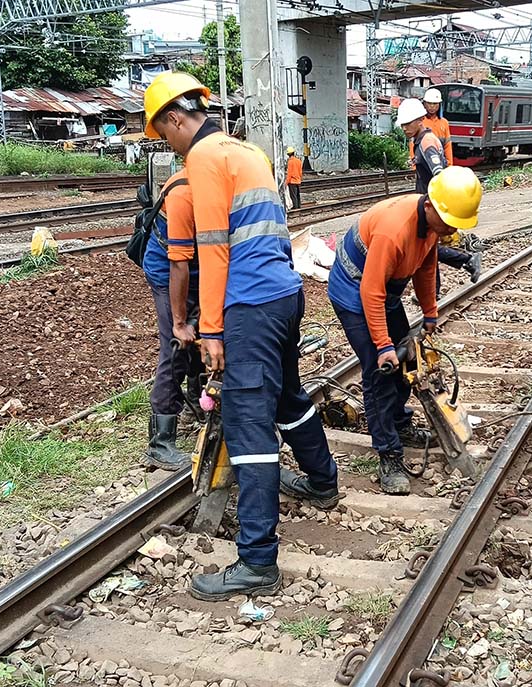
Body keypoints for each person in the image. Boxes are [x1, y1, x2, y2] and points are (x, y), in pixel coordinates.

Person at [143, 71, 340, 600]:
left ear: (176, 119)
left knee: (249, 428)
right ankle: (323, 480)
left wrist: (210, 327)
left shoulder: (203, 160)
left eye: (164, 135)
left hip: (250, 304)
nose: (168, 145)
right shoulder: (247, 151)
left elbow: (212, 247)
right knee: (290, 397)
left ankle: (257, 562)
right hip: (285, 292)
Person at [328, 167, 483, 495]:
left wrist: (430, 312)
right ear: (430, 206)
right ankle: (389, 454)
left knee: (408, 361)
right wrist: (383, 345)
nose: (452, 229)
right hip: (354, 293)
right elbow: (371, 291)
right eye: (449, 221)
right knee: (381, 371)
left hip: (386, 290)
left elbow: (427, 267)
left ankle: (398, 423)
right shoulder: (394, 229)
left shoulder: (431, 226)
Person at [140, 164, 202, 469]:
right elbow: (178, 264)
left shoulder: (222, 184)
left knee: (204, 332)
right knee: (176, 347)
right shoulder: (183, 193)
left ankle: (199, 403)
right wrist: (180, 322)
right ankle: (160, 442)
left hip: (197, 267)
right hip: (169, 271)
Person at [398, 97, 481, 288]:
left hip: (432, 204)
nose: (404, 128)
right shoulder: (420, 140)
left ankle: (465, 262)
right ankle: (465, 263)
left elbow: (439, 175)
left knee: (426, 245)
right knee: (427, 246)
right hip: (426, 202)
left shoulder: (427, 143)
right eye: (402, 125)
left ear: (419, 120)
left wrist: (439, 207)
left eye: (407, 124)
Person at [408, 88, 454, 165]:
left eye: (435, 103)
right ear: (424, 104)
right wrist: (414, 165)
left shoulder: (444, 123)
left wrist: (449, 165)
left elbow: (447, 146)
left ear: (439, 105)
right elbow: (413, 144)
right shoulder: (419, 122)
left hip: (440, 162)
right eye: (429, 103)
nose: (432, 106)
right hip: (423, 163)